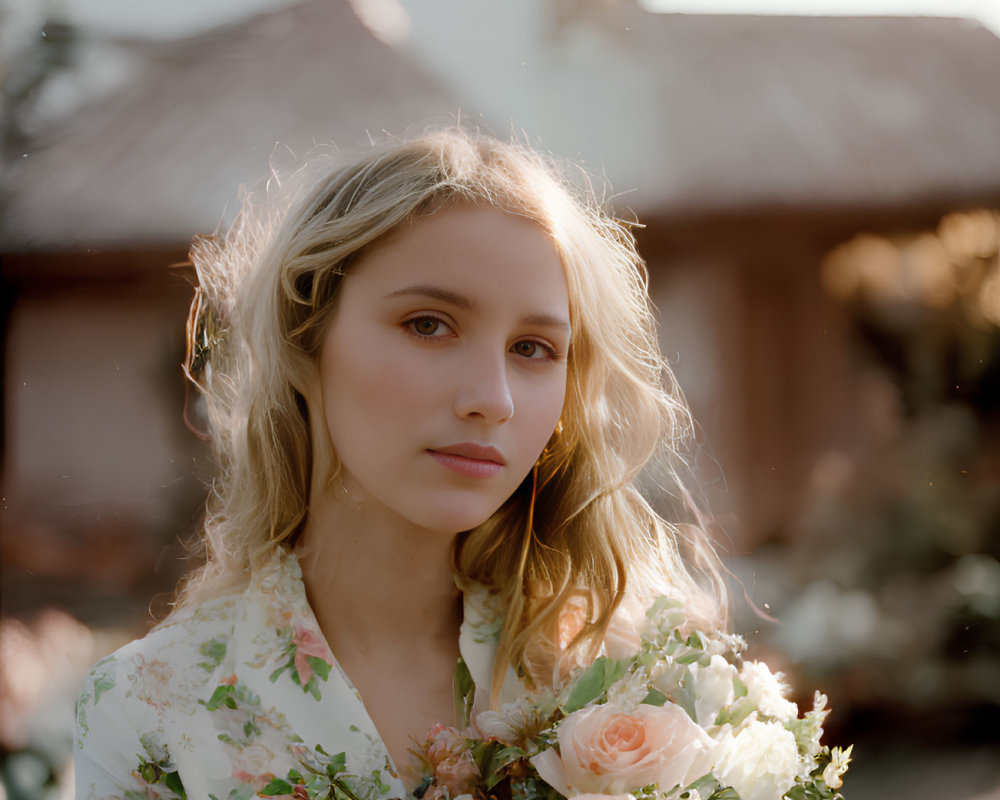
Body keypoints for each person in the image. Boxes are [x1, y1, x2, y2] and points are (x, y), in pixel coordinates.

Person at [74, 128, 729, 800]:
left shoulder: (641, 687)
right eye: (428, 324)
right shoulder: (152, 713)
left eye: (533, 348)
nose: (492, 400)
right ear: (307, 340)